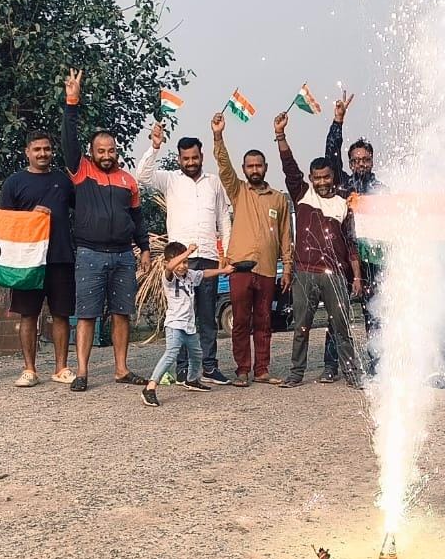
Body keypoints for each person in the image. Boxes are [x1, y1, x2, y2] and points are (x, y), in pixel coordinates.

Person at [62, 68, 151, 392]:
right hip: (89, 254)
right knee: (86, 315)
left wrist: (145, 249)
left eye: (111, 150)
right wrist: (72, 101)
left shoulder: (129, 180)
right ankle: (82, 372)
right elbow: (68, 138)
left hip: (124, 256)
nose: (107, 155)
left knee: (121, 314)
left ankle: (121, 369)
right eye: (101, 151)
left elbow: (139, 219)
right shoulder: (81, 171)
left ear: (117, 151)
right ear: (91, 152)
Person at [136, 122, 232, 386]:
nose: (190, 162)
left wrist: (226, 251)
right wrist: (155, 147)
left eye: (195, 157)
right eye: (186, 158)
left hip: (210, 256)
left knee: (207, 316)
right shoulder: (169, 180)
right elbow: (142, 177)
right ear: (179, 158)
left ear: (202, 156)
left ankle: (209, 367)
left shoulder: (213, 182)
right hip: (179, 262)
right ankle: (182, 370)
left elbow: (224, 218)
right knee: (181, 316)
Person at [275, 111, 363, 389]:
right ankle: (296, 373)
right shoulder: (302, 195)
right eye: (317, 178)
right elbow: (289, 167)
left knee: (342, 327)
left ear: (331, 177)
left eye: (326, 177)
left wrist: (357, 276)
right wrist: (280, 136)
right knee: (301, 326)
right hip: (305, 273)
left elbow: (351, 243)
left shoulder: (343, 203)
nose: (322, 182)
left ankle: (351, 373)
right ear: (311, 179)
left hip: (336, 275)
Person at [207, 112, 293, 387]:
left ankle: (262, 370)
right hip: (240, 268)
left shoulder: (279, 199)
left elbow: (285, 236)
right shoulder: (238, 191)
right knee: (241, 321)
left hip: (268, 269)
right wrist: (218, 136)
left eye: (258, 165)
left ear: (265, 167)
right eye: (250, 166)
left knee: (264, 321)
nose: (254, 170)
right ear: (244, 169)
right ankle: (242, 370)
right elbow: (223, 167)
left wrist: (287, 268)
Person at [0, 131, 76, 387]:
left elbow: (81, 210)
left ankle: (61, 368)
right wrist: (30, 216)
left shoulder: (64, 181)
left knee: (61, 314)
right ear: (27, 152)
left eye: (47, 149)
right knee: (28, 315)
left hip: (60, 256)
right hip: (27, 261)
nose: (43, 154)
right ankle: (29, 369)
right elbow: (4, 223)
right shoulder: (14, 183)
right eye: (37, 150)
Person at [322, 91, 387, 381]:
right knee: (338, 312)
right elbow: (330, 157)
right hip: (343, 258)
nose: (361, 163)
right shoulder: (342, 186)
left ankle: (376, 364)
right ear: (350, 163)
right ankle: (331, 366)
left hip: (372, 259)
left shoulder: (382, 190)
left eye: (366, 159)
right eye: (356, 159)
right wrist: (338, 121)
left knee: (376, 313)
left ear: (372, 161)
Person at [142, 243, 234, 407]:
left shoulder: (190, 275)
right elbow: (170, 266)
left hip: (189, 326)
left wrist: (223, 271)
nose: (184, 266)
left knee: (197, 354)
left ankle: (191, 380)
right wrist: (188, 252)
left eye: (186, 262)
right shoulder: (169, 277)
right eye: (181, 261)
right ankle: (150, 387)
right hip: (174, 324)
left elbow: (204, 273)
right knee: (171, 353)